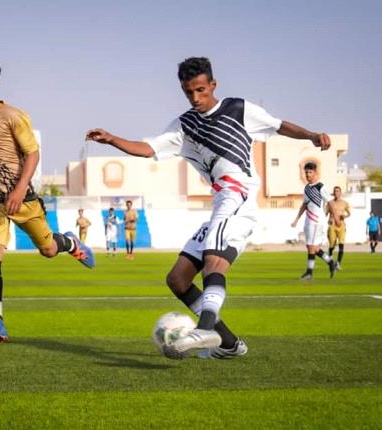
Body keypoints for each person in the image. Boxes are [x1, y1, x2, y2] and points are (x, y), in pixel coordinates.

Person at [86, 56, 331, 359]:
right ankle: (228, 343)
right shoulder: (185, 125)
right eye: (188, 92)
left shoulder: (238, 109)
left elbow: (279, 126)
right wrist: (112, 139)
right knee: (178, 279)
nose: (195, 98)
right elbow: (149, 148)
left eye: (201, 90)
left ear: (213, 85)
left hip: (239, 196)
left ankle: (204, 329)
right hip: (221, 202)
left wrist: (311, 135)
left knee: (214, 260)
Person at [0, 56, 94, 343]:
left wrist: (19, 190)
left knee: (48, 249)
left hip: (22, 196)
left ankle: (69, 243)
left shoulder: (14, 116)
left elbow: (32, 153)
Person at [291, 163, 337, 280]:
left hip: (317, 221)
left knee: (312, 247)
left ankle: (309, 273)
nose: (308, 174)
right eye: (306, 172)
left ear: (315, 173)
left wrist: (334, 217)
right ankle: (330, 262)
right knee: (311, 247)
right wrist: (296, 219)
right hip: (308, 220)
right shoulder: (306, 188)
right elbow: (304, 205)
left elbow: (331, 202)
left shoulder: (320, 187)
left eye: (310, 172)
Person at [325, 186, 350, 270]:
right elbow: (325, 213)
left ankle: (338, 263)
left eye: (338, 191)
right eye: (335, 191)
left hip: (341, 225)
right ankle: (330, 260)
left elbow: (349, 213)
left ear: (340, 193)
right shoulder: (330, 203)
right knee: (332, 245)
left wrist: (345, 216)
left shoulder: (345, 203)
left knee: (341, 244)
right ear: (333, 193)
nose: (336, 192)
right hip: (332, 226)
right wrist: (329, 219)